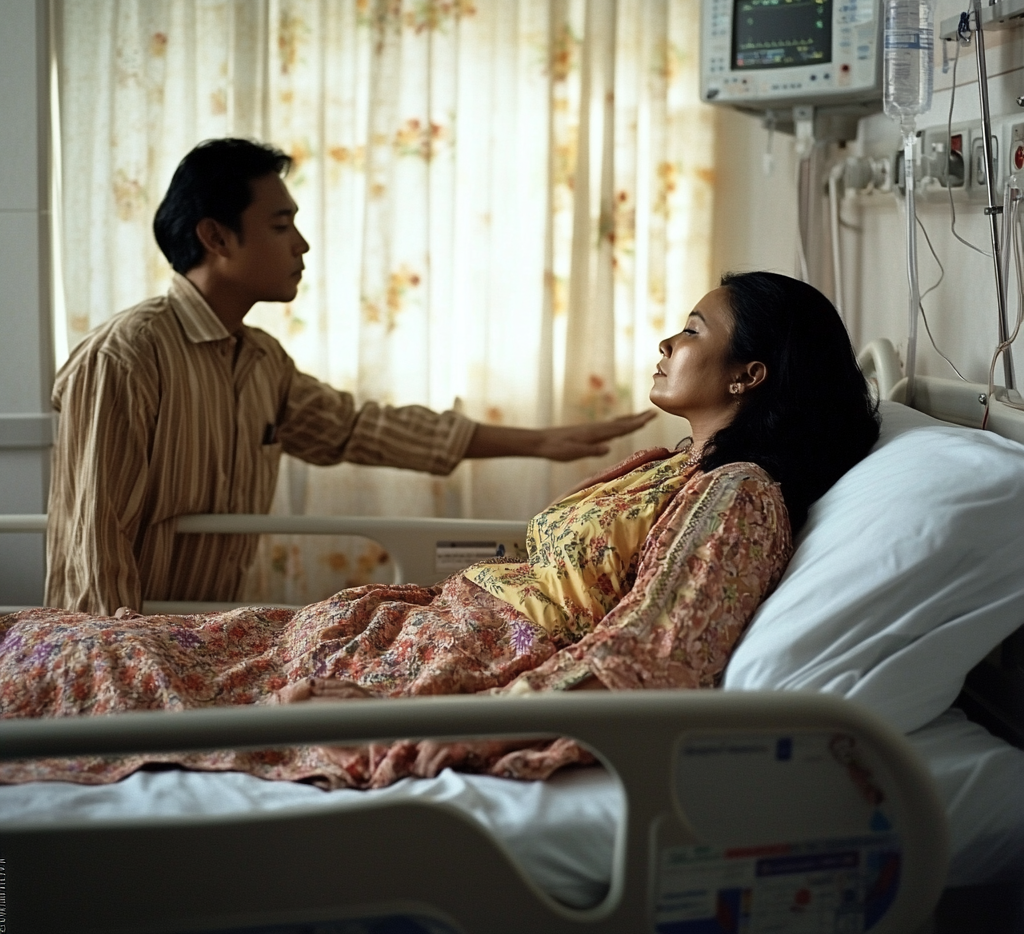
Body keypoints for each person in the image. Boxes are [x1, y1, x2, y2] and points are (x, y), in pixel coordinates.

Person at [3, 271, 880, 790]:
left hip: (448, 666)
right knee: (78, 645)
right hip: (403, 631)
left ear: (749, 373)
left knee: (104, 670)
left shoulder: (737, 497)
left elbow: (658, 657)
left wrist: (445, 714)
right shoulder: (667, 470)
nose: (667, 338)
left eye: (692, 329)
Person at [45, 139, 654, 615]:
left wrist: (539, 443)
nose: (302, 245)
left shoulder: (260, 361)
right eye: (281, 226)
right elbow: (92, 547)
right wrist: (117, 670)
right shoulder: (125, 359)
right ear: (215, 236)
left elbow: (363, 429)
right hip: (126, 638)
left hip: (196, 628)